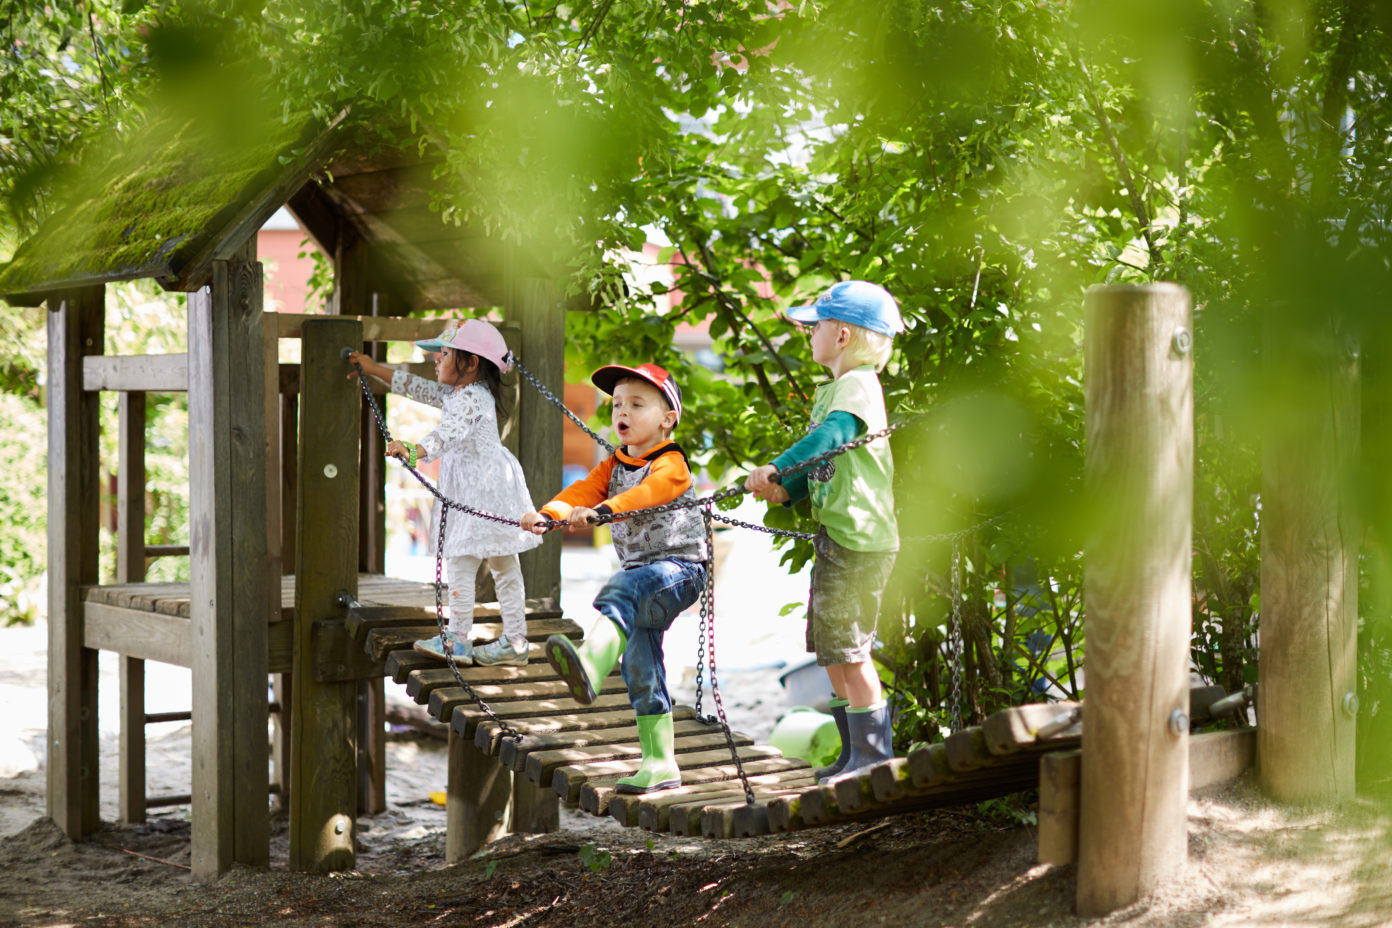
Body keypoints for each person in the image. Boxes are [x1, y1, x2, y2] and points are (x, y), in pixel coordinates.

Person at [521, 363, 706, 794]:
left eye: (637, 404)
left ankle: (590, 662)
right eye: (617, 404)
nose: (622, 411)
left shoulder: (671, 462)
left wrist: (605, 512)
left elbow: (649, 493)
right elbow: (581, 492)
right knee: (641, 665)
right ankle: (660, 763)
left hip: (680, 571)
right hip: (645, 579)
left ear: (667, 418)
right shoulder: (613, 465)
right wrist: (550, 514)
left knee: (621, 587)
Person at [744, 280, 902, 784]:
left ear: (842, 336)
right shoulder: (836, 388)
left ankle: (874, 757)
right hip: (838, 537)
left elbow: (830, 439)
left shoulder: (858, 385)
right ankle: (855, 751)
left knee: (851, 652)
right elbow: (830, 465)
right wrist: (789, 489)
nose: (808, 333)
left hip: (860, 542)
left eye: (816, 325)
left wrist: (775, 465)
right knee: (832, 650)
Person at [347, 320, 541, 666]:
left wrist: (414, 449)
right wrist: (373, 368)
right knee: (502, 564)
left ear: (471, 363)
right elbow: (417, 387)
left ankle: (460, 639)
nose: (435, 359)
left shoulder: (472, 399)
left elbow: (447, 434)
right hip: (488, 487)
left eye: (444, 353)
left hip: (482, 492)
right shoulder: (459, 393)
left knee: (464, 560)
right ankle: (514, 640)